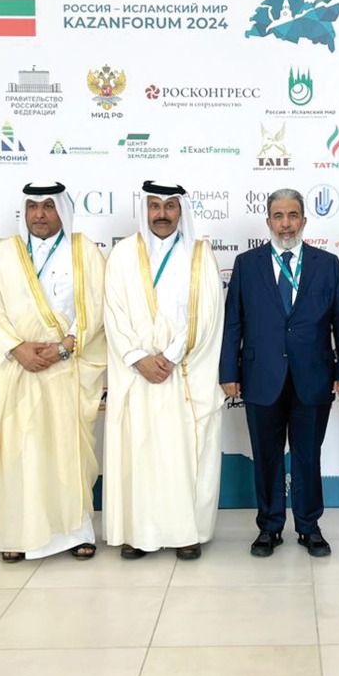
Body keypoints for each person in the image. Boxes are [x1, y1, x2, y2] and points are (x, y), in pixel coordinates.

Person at [220, 188, 339, 557]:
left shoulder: (327, 264)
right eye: (278, 216)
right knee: (266, 456)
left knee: (308, 455)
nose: (285, 223)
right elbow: (234, 322)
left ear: (304, 221)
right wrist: (228, 372)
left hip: (313, 378)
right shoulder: (247, 264)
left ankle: (309, 527)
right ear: (268, 221)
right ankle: (269, 527)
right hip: (261, 377)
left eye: (293, 215)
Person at [0, 182, 107, 562]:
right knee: (19, 452)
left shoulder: (84, 252)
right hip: (17, 370)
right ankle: (17, 533)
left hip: (68, 370)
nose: (40, 214)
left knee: (69, 453)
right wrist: (17, 349)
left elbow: (97, 307)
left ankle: (75, 532)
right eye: (33, 207)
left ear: (62, 211)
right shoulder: (3, 255)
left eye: (49, 207)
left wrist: (66, 347)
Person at [103, 182, 225, 560]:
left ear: (180, 210)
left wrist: (171, 356)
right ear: (144, 209)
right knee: (137, 454)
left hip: (181, 373)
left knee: (184, 453)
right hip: (137, 374)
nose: (161, 214)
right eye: (154, 206)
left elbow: (206, 313)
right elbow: (113, 312)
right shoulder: (122, 255)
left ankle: (185, 532)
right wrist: (139, 357)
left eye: (170, 206)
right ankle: (138, 533)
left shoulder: (200, 255)